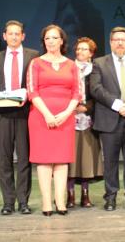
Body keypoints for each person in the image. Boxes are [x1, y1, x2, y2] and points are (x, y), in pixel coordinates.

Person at [90, 26, 125, 212]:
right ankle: (111, 198)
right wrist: (118, 105)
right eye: (116, 40)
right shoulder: (99, 63)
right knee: (110, 162)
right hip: (110, 118)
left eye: (124, 40)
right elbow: (96, 89)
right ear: (111, 42)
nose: (120, 42)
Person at [26, 24, 80, 216]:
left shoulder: (72, 65)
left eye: (54, 38)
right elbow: (32, 91)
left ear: (61, 41)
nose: (51, 41)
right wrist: (47, 114)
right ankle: (47, 203)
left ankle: (61, 202)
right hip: (41, 117)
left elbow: (77, 93)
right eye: (47, 38)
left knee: (62, 160)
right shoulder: (36, 63)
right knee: (44, 161)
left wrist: (66, 113)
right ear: (44, 41)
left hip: (65, 117)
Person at [0, 20, 38, 215]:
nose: (14, 37)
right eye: (11, 33)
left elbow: (36, 83)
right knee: (5, 159)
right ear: (4, 36)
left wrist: (27, 96)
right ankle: (8, 202)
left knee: (25, 159)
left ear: (23, 36)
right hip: (3, 113)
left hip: (25, 112)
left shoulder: (34, 56)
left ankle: (23, 201)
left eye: (18, 34)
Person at [67, 37, 103, 208]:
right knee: (70, 159)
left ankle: (85, 195)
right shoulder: (67, 68)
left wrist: (86, 108)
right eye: (78, 49)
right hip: (69, 118)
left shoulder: (96, 70)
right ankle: (69, 194)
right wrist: (72, 107)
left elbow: (100, 94)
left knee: (86, 158)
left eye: (85, 49)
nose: (80, 52)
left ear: (91, 53)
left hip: (89, 120)